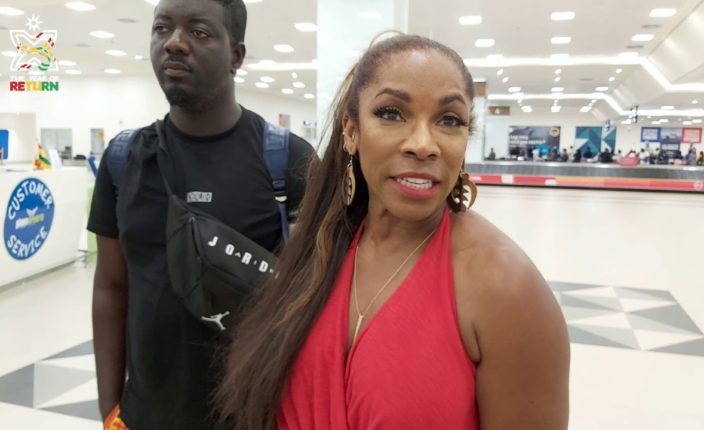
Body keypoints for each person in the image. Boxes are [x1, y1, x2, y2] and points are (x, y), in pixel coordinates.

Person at [218, 35, 570, 430]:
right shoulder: (319, 248)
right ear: (351, 131)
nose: (423, 145)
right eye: (391, 113)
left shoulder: (506, 287)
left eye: (449, 120)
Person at [87, 0, 315, 428]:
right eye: (162, 29)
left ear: (236, 56)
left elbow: (317, 300)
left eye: (199, 31)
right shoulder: (124, 160)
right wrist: (109, 407)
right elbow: (112, 286)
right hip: (145, 415)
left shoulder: (289, 162)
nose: (174, 43)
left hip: (254, 416)